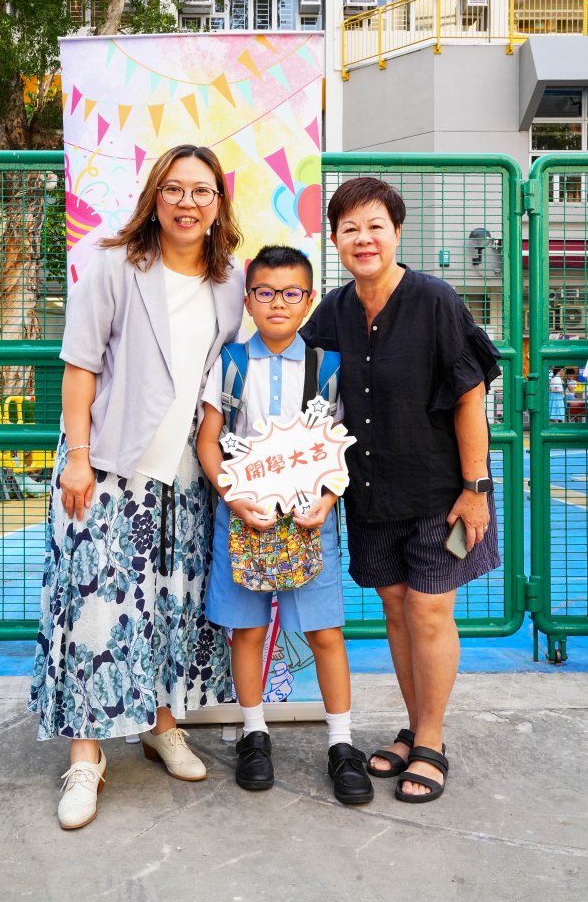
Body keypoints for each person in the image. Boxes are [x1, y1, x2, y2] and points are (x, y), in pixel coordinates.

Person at [29, 144, 244, 829]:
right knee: (94, 611)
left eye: (202, 191)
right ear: (155, 197)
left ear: (218, 205)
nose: (187, 202)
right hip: (106, 466)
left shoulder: (230, 280)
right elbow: (80, 365)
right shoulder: (115, 264)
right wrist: (79, 458)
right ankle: (85, 756)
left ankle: (160, 725)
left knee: (170, 607)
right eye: (174, 189)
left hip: (184, 477)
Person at [301, 177, 501, 804]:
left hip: (440, 490)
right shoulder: (332, 311)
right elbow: (306, 394)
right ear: (335, 239)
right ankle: (415, 727)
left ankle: (431, 742)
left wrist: (476, 487)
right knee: (394, 607)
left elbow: (470, 398)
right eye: (350, 229)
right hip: (369, 491)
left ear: (396, 232)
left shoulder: (435, 300)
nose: (363, 239)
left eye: (375, 226)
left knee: (429, 609)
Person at [197, 245, 374, 806]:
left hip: (309, 520)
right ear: (248, 300)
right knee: (247, 631)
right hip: (242, 518)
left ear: (309, 300)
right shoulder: (229, 362)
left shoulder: (328, 368)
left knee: (324, 632)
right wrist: (233, 498)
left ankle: (342, 744)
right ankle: (254, 735)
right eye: (266, 292)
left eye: (291, 293)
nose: (278, 303)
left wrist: (328, 499)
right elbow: (208, 441)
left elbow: (341, 447)